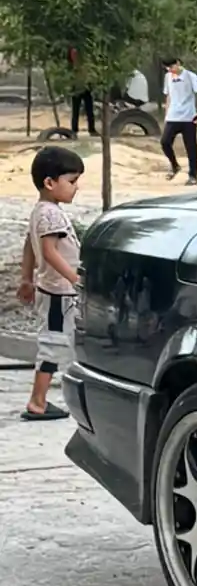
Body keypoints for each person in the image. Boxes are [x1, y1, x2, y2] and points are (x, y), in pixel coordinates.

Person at [17, 145, 83, 423]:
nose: (76, 188)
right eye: (72, 181)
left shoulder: (40, 210)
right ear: (50, 182)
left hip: (51, 289)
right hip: (59, 292)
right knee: (53, 345)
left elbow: (29, 248)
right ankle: (38, 402)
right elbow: (49, 252)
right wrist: (75, 279)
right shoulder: (51, 214)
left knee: (62, 342)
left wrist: (26, 279)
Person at [160, 56, 197, 184]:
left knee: (191, 147)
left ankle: (193, 176)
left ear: (178, 63)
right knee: (165, 142)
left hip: (188, 117)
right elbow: (168, 95)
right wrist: (166, 114)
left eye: (171, 67)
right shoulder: (168, 77)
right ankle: (174, 165)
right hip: (173, 116)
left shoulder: (190, 76)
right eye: (167, 68)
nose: (170, 70)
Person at [65, 45, 96, 139]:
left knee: (90, 110)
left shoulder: (84, 65)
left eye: (76, 54)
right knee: (75, 111)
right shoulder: (70, 67)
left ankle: (92, 130)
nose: (74, 55)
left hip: (86, 89)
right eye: (73, 54)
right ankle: (74, 131)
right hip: (76, 90)